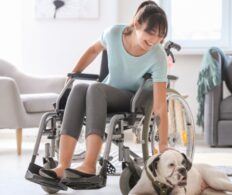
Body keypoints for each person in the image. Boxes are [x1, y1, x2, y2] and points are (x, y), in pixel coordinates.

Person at [39, 0, 169, 180]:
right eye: (151, 32)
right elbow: (93, 50)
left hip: (133, 99)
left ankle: (90, 165)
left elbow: (161, 105)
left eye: (161, 35)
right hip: (105, 93)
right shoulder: (114, 33)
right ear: (137, 24)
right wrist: (75, 71)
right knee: (78, 89)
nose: (155, 40)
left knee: (96, 89)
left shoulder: (158, 55)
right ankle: (62, 166)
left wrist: (163, 143)